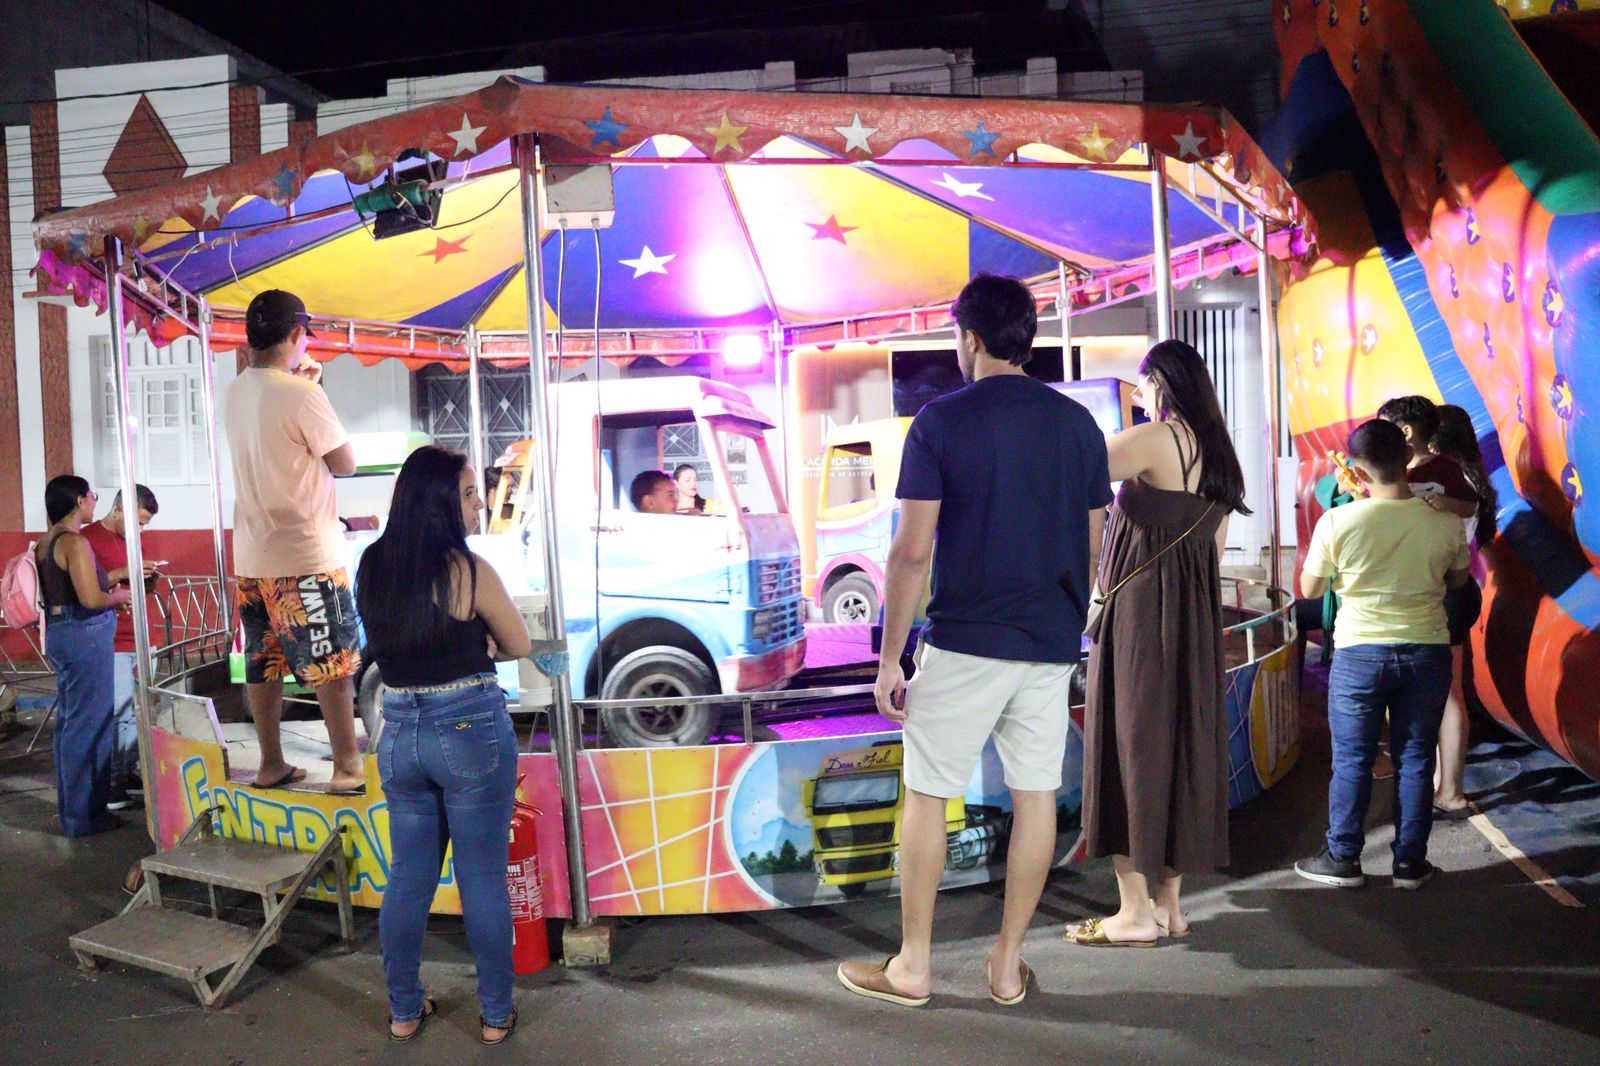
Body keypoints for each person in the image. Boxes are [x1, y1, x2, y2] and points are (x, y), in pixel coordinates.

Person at [836, 273, 1111, 1007]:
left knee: (928, 794)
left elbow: (911, 554)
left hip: (964, 642)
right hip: (1049, 644)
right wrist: (1063, 621)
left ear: (971, 338)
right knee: (1036, 798)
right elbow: (1093, 545)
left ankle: (914, 967)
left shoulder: (940, 422)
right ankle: (1007, 964)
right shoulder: (1078, 426)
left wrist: (890, 657)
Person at [1069, 339, 1249, 947]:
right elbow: (1211, 555)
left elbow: (1075, 464)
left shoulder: (1155, 439)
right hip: (1194, 622)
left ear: (1162, 384)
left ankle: (1134, 912)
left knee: (1129, 749)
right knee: (1179, 749)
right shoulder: (1221, 456)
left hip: (1141, 618)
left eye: (1142, 383)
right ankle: (1169, 906)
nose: (1138, 394)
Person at [356, 445, 530, 1045]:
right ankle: (495, 1016)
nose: (478, 503)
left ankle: (404, 1010)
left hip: (399, 729)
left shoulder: (373, 565)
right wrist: (484, 642)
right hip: (468, 729)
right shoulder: (467, 569)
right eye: (468, 492)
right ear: (438, 502)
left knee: (409, 878)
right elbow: (519, 643)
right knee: (481, 876)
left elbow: (391, 642)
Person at [1295, 419, 1470, 890]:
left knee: (1352, 760)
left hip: (1360, 655)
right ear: (1408, 458)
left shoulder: (1339, 521)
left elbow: (1309, 589)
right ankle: (1410, 863)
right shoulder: (1445, 521)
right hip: (1427, 651)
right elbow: (1457, 579)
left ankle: (1343, 859)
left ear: (1355, 470)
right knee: (1416, 758)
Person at [222, 289, 363, 793]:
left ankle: (271, 762)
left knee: (264, 663)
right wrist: (314, 389)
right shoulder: (302, 395)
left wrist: (304, 386)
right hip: (305, 555)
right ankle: (347, 767)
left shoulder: (235, 391)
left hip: (252, 555)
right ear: (297, 334)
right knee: (332, 664)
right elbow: (345, 463)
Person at [36, 475, 132, 836]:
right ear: (79, 501)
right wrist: (119, 597)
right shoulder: (75, 542)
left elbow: (73, 588)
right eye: (92, 495)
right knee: (90, 726)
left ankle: (75, 811)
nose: (95, 501)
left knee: (71, 724)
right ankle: (85, 816)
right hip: (84, 635)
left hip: (62, 632)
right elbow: (91, 599)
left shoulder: (47, 541)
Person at [1429, 405, 1495, 819]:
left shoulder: (1450, 482)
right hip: (1459, 590)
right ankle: (1444, 783)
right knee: (1447, 690)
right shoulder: (1471, 478)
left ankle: (1450, 789)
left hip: (1447, 592)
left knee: (1448, 693)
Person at [80, 484, 160, 811]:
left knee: (141, 712)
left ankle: (128, 773)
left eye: (144, 525)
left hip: (142, 636)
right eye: (137, 522)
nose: (140, 531)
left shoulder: (133, 540)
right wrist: (124, 572)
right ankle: (111, 782)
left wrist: (149, 577)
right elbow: (84, 586)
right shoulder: (85, 540)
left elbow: (137, 585)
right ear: (118, 511)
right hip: (111, 640)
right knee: (118, 714)